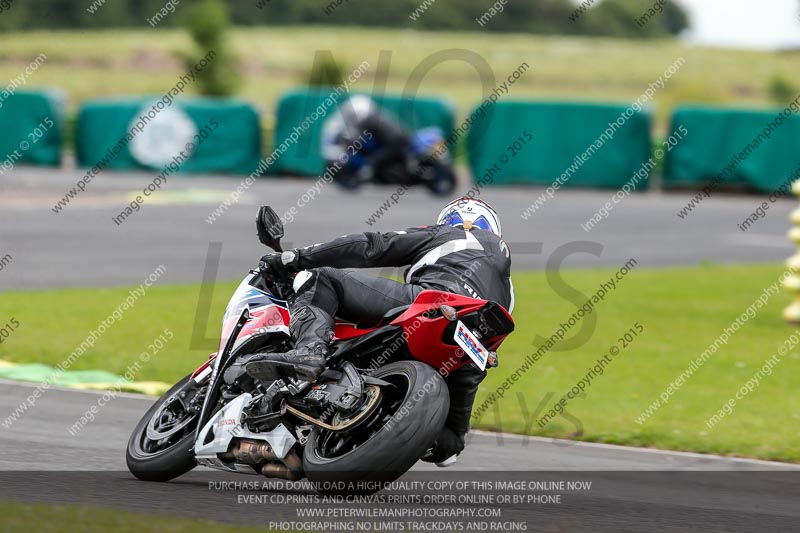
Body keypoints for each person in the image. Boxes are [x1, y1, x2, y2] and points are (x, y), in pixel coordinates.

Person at [248, 197, 514, 464]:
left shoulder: (453, 234)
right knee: (452, 441)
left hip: (433, 303)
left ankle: (309, 351)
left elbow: (373, 246)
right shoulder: (508, 289)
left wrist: (294, 258)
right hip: (469, 352)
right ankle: (422, 436)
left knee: (322, 278)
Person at [321, 94, 414, 186]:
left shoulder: (369, 121)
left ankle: (370, 174)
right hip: (399, 139)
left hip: (396, 142)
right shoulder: (376, 117)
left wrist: (348, 141)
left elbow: (356, 137)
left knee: (374, 160)